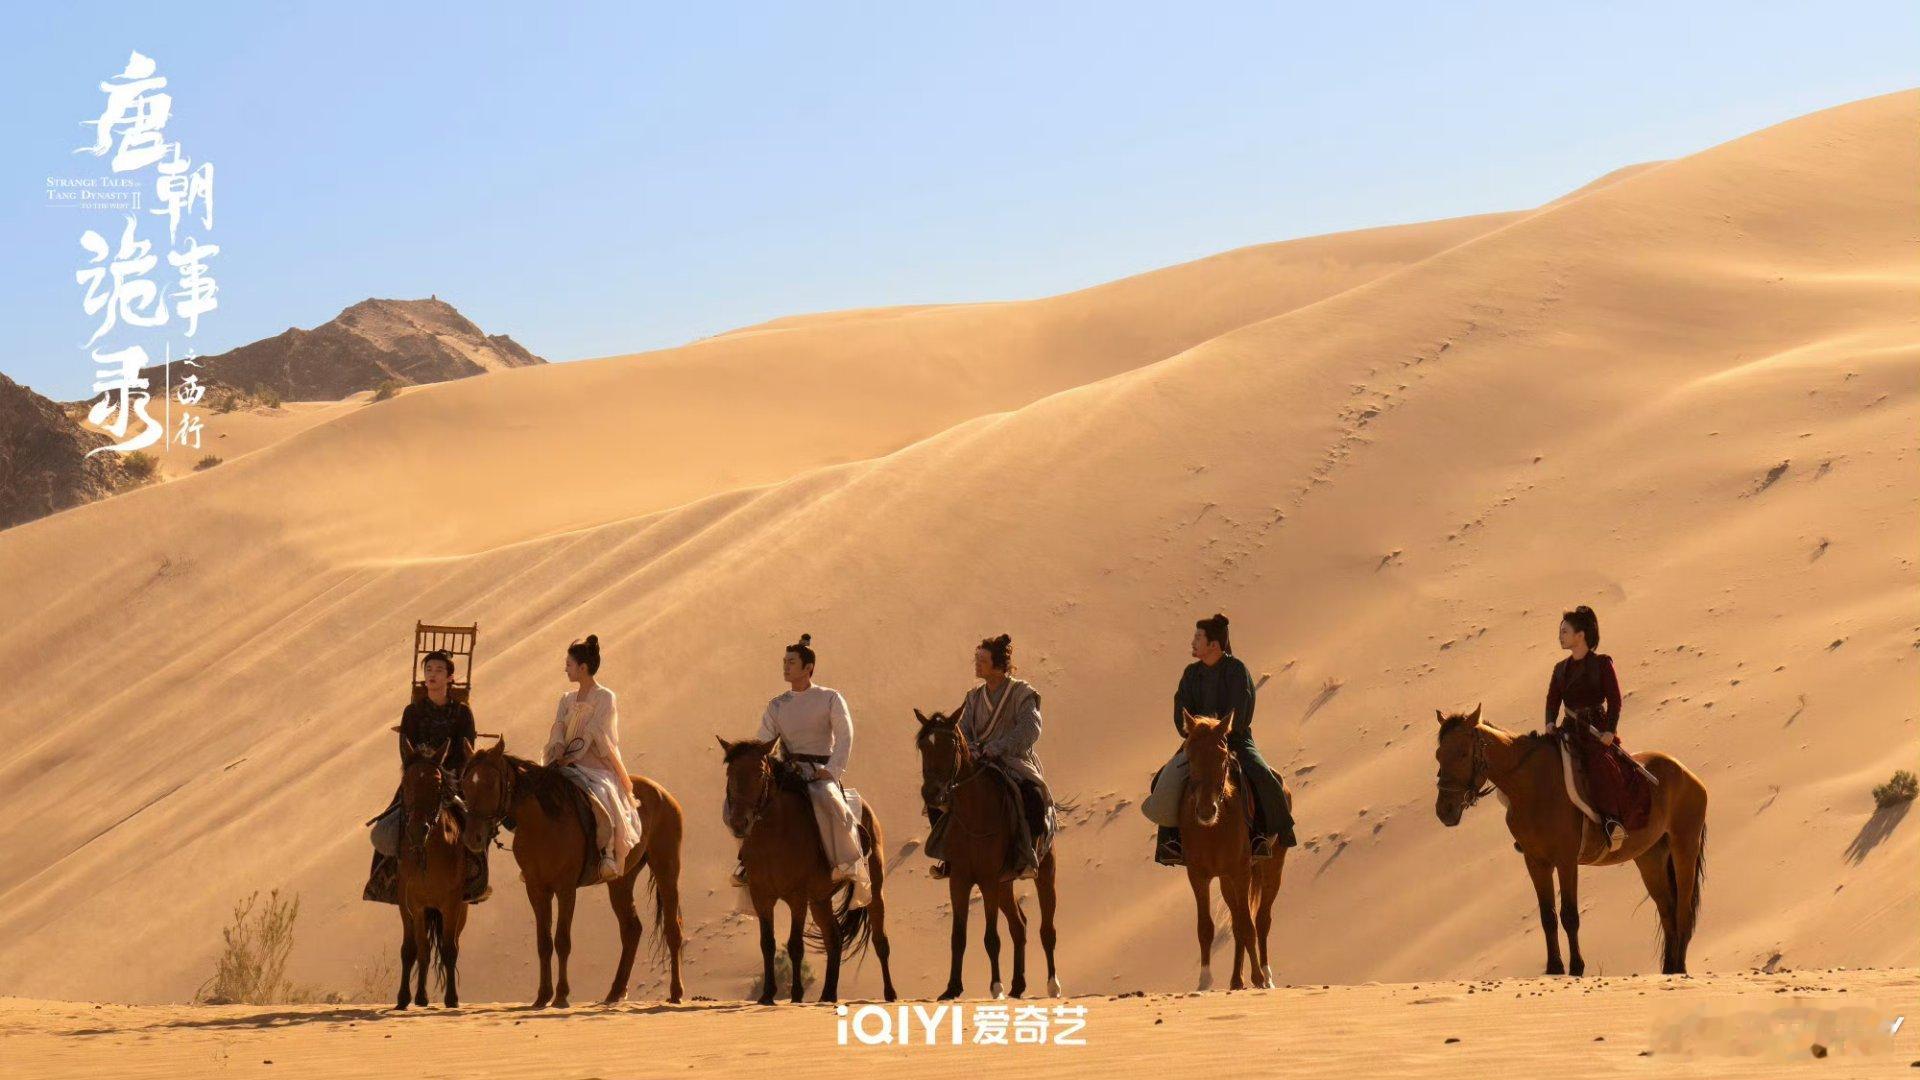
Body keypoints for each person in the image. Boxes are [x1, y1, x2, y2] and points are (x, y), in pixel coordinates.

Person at [1145, 614, 1297, 866]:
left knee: (1263, 775)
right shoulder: (1191, 674)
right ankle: (1170, 841)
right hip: (1197, 741)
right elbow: (1181, 708)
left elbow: (1241, 711)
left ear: (1213, 645)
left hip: (1235, 739)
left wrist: (1219, 730)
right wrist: (1194, 733)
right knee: (1164, 779)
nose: (1193, 642)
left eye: (1198, 638)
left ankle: (1267, 832)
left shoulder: (1236, 671)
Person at [730, 633, 869, 906]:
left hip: (820, 768)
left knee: (830, 801)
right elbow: (763, 742)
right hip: (785, 770)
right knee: (743, 806)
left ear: (808, 668)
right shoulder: (776, 705)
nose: (785, 666)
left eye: (791, 662)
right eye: (784, 662)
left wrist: (832, 770)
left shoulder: (830, 698)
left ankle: (846, 861)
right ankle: (747, 864)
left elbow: (845, 735)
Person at [364, 649, 489, 903]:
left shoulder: (462, 713)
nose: (432, 675)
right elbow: (405, 750)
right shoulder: (412, 711)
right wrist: (420, 773)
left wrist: (446, 776)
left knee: (474, 826)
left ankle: (475, 880)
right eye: (429, 670)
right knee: (389, 826)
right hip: (418, 781)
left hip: (451, 781)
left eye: (439, 670)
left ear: (450, 678)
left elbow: (466, 752)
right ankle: (384, 880)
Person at [928, 634, 1053, 881]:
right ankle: (950, 857)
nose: (976, 664)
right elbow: (962, 730)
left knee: (1033, 798)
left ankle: (1030, 855)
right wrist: (971, 749)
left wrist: (999, 747)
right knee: (937, 799)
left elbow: (1030, 729)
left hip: (1013, 761)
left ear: (998, 664)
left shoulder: (1022, 693)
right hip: (979, 762)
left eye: (982, 660)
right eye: (976, 659)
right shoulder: (973, 697)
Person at [543, 634, 644, 883]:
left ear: (583, 668)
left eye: (569, 664)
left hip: (594, 762)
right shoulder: (565, 699)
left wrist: (573, 756)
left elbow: (595, 732)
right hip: (561, 759)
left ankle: (608, 853)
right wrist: (557, 748)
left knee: (601, 794)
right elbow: (557, 727)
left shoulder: (605, 697)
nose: (565, 669)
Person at [1545, 605, 1640, 851]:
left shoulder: (1601, 664)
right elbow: (1552, 701)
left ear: (1581, 635)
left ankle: (1611, 822)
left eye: (1565, 631)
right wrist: (1549, 723)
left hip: (1595, 730)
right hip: (1568, 730)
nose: (1561, 636)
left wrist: (1610, 730)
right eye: (1561, 631)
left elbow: (1615, 700)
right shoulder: (1559, 670)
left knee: (1599, 766)